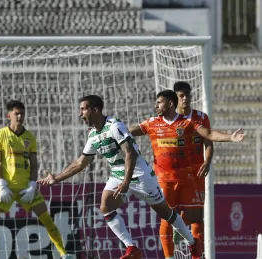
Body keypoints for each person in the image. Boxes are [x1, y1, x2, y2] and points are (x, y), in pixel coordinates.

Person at [39, 95, 204, 259]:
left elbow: (130, 153)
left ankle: (192, 242)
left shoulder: (115, 126)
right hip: (118, 174)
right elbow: (81, 163)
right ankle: (132, 247)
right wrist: (57, 178)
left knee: (166, 213)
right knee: (106, 205)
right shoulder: (93, 135)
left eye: (83, 109)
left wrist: (126, 181)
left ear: (95, 109)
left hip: (140, 175)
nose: (80, 114)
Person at [128, 90, 244, 259]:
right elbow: (129, 131)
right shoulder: (152, 123)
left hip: (187, 179)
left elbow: (209, 134)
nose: (156, 105)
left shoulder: (187, 123)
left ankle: (187, 238)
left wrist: (230, 137)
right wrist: (114, 130)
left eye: (159, 102)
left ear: (170, 104)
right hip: (164, 180)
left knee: (195, 216)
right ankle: (170, 257)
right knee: (166, 218)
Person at [0, 100, 71, 259]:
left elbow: (34, 165)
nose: (20, 116)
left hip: (26, 186)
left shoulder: (29, 137)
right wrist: (1, 183)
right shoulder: (0, 134)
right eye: (16, 113)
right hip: (6, 186)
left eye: (22, 113)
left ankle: (64, 254)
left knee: (47, 219)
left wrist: (33, 184)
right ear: (9, 115)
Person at [173, 81, 213, 247]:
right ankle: (171, 250)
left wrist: (207, 161)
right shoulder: (170, 119)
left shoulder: (202, 118)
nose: (185, 99)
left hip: (197, 172)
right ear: (174, 99)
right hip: (176, 173)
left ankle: (197, 251)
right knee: (171, 212)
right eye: (181, 96)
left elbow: (209, 143)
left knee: (198, 214)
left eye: (187, 95)